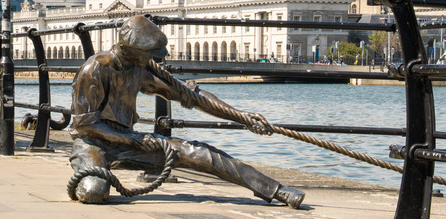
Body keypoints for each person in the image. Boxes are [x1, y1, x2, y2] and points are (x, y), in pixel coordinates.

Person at [69, 15, 304, 209]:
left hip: (130, 143)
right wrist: (135, 139)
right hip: (93, 144)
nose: (156, 59)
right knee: (94, 192)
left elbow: (191, 96)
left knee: (200, 153)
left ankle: (276, 190)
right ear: (131, 49)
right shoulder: (96, 68)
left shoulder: (140, 68)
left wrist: (241, 116)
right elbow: (84, 126)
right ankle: (92, 172)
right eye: (151, 53)